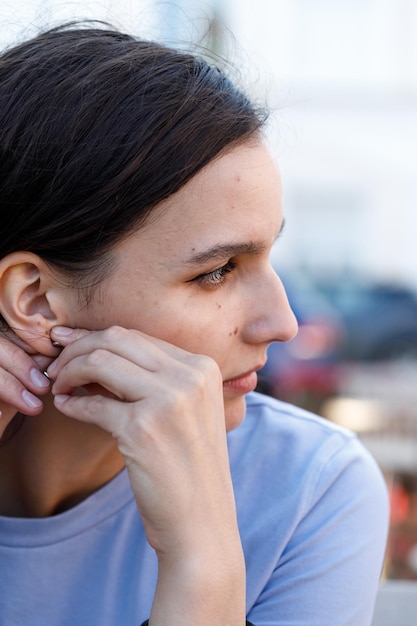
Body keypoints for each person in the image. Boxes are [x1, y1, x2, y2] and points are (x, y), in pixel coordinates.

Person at [0, 24, 388, 626]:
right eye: (216, 271)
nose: (281, 324)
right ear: (37, 300)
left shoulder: (308, 487)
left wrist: (202, 561)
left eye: (267, 255)